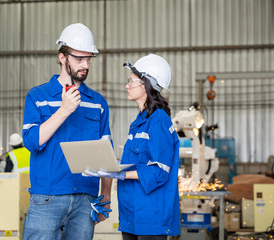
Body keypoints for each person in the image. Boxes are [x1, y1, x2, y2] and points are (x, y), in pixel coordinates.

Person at [22, 23, 112, 240]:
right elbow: (32, 141)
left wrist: (106, 195)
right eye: (79, 59)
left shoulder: (97, 103)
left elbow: (105, 152)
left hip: (86, 198)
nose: (85, 65)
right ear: (62, 57)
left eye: (88, 59)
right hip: (47, 197)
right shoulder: (38, 96)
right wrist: (64, 110)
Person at [84, 54, 181, 239]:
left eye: (132, 81)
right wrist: (107, 167)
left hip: (150, 217)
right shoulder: (139, 122)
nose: (126, 86)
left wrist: (119, 173)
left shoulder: (158, 120)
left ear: (147, 84)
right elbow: (134, 163)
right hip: (132, 214)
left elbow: (159, 170)